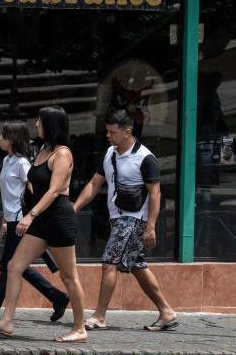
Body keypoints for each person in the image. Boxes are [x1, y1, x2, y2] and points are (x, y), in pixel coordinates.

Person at [0, 106, 87, 344]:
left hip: (58, 219)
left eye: (40, 121)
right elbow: (31, 188)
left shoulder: (62, 153)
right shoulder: (42, 151)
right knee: (14, 266)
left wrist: (30, 216)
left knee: (69, 277)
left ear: (51, 124)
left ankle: (80, 328)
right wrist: (13, 216)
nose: (36, 124)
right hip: (41, 220)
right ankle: (7, 321)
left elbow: (54, 190)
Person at [73, 110, 178, 332]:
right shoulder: (110, 153)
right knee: (137, 265)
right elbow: (94, 184)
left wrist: (150, 227)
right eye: (107, 132)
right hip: (117, 217)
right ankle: (166, 312)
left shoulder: (146, 158)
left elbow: (156, 194)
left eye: (112, 132)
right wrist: (74, 208)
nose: (108, 136)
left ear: (127, 131)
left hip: (133, 219)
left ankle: (99, 316)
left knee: (109, 262)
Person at [0, 121, 69, 323]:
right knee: (15, 266)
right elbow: (9, 196)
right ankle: (57, 297)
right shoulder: (7, 161)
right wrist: (5, 220)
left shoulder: (23, 164)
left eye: (2, 136)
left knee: (9, 265)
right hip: (12, 219)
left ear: (12, 139)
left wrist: (30, 216)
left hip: (22, 221)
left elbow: (33, 191)